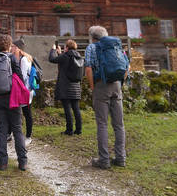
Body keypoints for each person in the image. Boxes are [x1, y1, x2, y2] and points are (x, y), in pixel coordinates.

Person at [84, 25, 128, 169]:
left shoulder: (92, 48)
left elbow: (89, 69)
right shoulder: (116, 46)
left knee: (102, 123)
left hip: (101, 85)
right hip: (116, 85)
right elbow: (126, 67)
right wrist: (120, 84)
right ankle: (121, 158)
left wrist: (92, 86)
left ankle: (104, 160)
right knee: (119, 124)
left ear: (92, 37)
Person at [0, 34, 27, 171]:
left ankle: (2, 162)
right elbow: (20, 78)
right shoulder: (11, 58)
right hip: (12, 98)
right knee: (17, 129)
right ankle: (22, 162)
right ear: (8, 46)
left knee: (2, 130)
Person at [49, 39, 83, 136]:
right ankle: (79, 129)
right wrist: (60, 54)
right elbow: (66, 64)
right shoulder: (79, 56)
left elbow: (52, 59)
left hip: (65, 86)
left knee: (67, 109)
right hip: (76, 86)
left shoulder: (66, 56)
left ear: (67, 47)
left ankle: (69, 130)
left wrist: (53, 50)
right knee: (76, 108)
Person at [12, 39, 34, 146]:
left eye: (13, 47)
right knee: (21, 112)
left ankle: (28, 136)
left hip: (25, 90)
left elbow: (23, 76)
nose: (11, 48)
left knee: (27, 113)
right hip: (23, 89)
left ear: (17, 48)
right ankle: (17, 133)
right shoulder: (21, 58)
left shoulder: (24, 60)